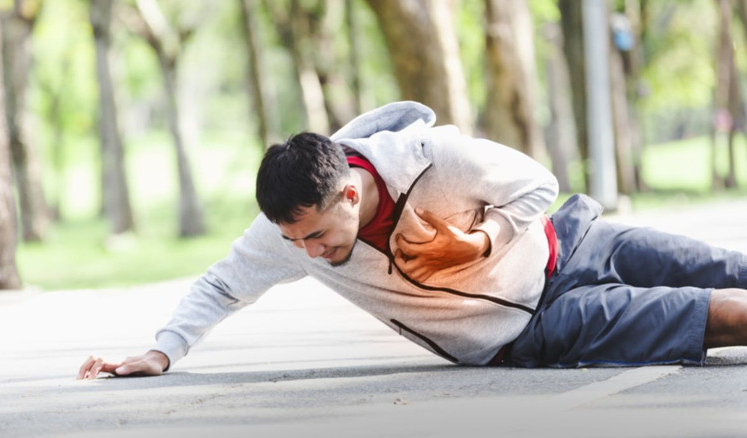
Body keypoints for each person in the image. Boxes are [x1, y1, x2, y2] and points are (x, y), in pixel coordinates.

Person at [78, 101, 747, 379]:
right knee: (726, 313)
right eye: (294, 242)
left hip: (571, 241)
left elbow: (537, 183)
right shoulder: (289, 231)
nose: (307, 253)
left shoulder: (431, 158)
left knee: (727, 265)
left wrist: (481, 242)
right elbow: (221, 284)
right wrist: (161, 352)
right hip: (534, 327)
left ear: (348, 192)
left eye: (315, 236)